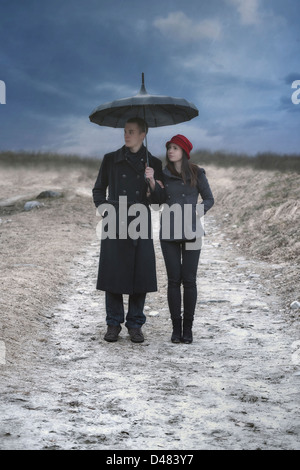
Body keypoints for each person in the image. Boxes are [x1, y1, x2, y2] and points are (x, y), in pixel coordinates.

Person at [92, 117, 166, 343]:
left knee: (139, 274)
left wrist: (152, 181)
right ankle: (113, 324)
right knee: (113, 273)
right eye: (125, 131)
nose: (126, 135)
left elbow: (158, 202)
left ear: (143, 134)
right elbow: (98, 190)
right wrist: (106, 211)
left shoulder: (153, 163)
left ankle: (135, 324)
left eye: (131, 131)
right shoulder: (110, 159)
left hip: (140, 221)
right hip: (115, 220)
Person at [160, 134, 214, 344]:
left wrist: (198, 211)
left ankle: (188, 329)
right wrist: (151, 183)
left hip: (192, 230)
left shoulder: (196, 173)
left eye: (175, 147)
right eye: (169, 148)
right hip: (169, 232)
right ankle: (176, 328)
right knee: (174, 280)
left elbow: (209, 198)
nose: (170, 151)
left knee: (189, 280)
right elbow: (156, 200)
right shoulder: (163, 174)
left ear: (184, 151)